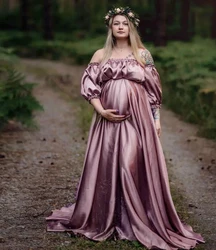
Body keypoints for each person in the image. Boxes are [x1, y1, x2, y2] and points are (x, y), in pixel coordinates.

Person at [46, 6, 204, 250]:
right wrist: (101, 111)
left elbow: (153, 91)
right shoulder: (100, 55)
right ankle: (108, 217)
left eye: (124, 23)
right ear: (110, 27)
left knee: (130, 162)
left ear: (131, 27)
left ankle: (134, 218)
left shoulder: (143, 54)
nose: (120, 26)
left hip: (137, 118)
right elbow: (90, 86)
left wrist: (157, 119)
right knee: (108, 164)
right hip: (107, 119)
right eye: (116, 23)